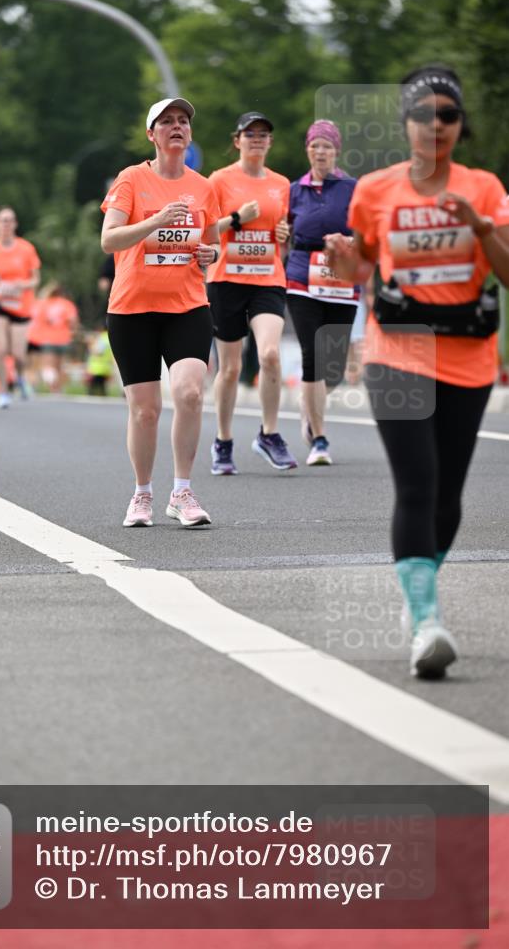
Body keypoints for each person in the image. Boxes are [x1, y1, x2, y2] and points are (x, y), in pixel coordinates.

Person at [326, 65, 509, 678]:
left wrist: (482, 229)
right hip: (396, 351)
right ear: (405, 122)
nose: (436, 125)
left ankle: (416, 591)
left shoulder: (484, 187)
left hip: (469, 357)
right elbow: (362, 276)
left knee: (450, 495)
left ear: (460, 124)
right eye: (424, 114)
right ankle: (427, 624)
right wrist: (347, 262)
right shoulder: (374, 190)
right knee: (419, 483)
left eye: (448, 115)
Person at [100, 97, 220, 527]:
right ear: (151, 134)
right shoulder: (132, 179)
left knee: (189, 392)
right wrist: (155, 221)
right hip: (132, 309)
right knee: (145, 410)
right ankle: (142, 494)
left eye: (183, 121)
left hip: (187, 305)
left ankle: (182, 491)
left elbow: (210, 245)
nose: (176, 127)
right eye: (166, 121)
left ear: (190, 133)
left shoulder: (204, 187)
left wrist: (211, 253)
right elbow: (109, 240)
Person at [207, 112, 293, 475]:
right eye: (250, 134)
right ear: (237, 140)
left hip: (268, 278)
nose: (257, 139)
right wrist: (238, 218)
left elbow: (281, 240)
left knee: (270, 354)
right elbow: (208, 230)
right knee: (230, 368)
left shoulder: (281, 184)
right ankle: (223, 441)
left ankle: (268, 434)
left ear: (270, 142)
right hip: (226, 279)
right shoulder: (220, 180)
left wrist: (284, 237)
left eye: (264, 135)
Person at [285, 120, 360, 466]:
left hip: (342, 280)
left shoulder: (351, 188)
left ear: (336, 151)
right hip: (302, 277)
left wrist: (348, 242)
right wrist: (280, 232)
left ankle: (308, 410)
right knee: (312, 355)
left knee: (333, 365)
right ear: (307, 150)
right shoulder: (293, 190)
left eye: (326, 146)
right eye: (315, 145)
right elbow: (282, 231)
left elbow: (367, 233)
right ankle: (319, 438)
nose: (320, 152)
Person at [0, 206, 41, 408]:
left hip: (21, 306)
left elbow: (35, 280)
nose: (6, 224)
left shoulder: (26, 248)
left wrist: (21, 285)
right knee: (1, 349)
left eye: (10, 220)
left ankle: (20, 377)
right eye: (2, 220)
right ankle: (3, 392)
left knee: (19, 354)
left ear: (15, 224)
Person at [26, 283, 79, 392]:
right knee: (60, 366)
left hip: (48, 339)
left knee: (48, 366)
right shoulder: (67, 304)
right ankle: (58, 389)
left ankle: (51, 384)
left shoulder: (42, 304)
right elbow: (74, 322)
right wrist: (73, 333)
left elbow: (36, 320)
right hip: (64, 339)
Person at [85, 327, 115, 395]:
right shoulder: (111, 337)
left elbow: (98, 352)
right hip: (106, 367)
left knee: (92, 390)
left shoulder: (102, 338)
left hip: (97, 368)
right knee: (102, 389)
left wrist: (89, 345)